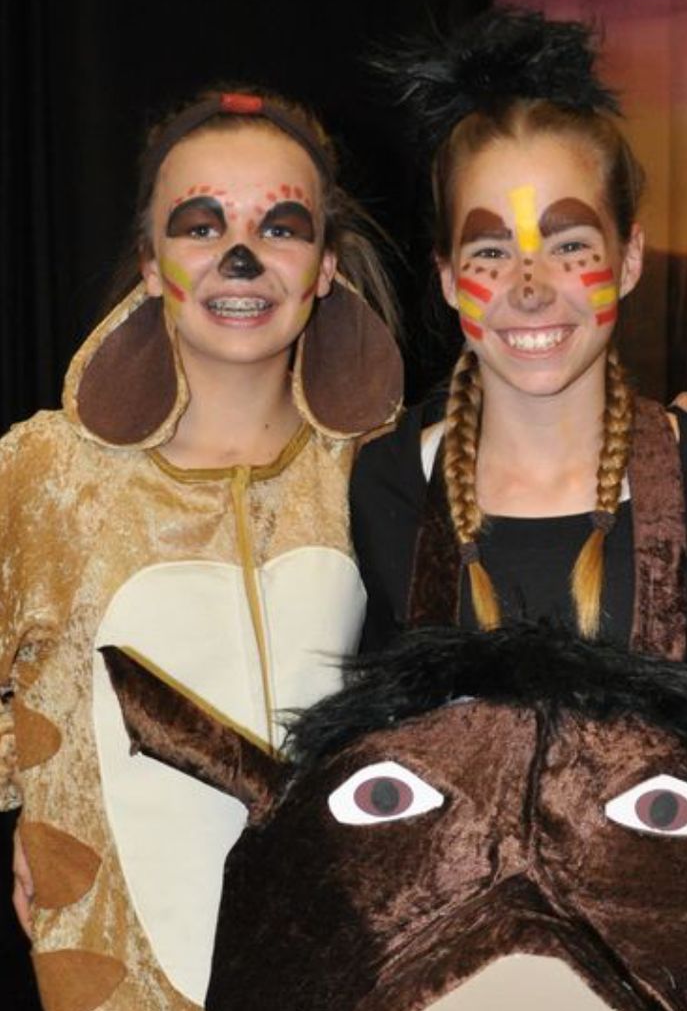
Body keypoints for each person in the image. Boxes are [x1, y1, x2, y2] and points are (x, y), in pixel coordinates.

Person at [0, 86, 402, 1011]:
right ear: (150, 265)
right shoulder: (47, 473)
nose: (240, 253)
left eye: (283, 226)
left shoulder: (383, 475)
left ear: (327, 268)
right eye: (200, 222)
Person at [351, 8, 687, 692]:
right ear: (446, 275)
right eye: (491, 251)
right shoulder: (388, 483)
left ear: (629, 258)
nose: (530, 290)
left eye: (569, 247)